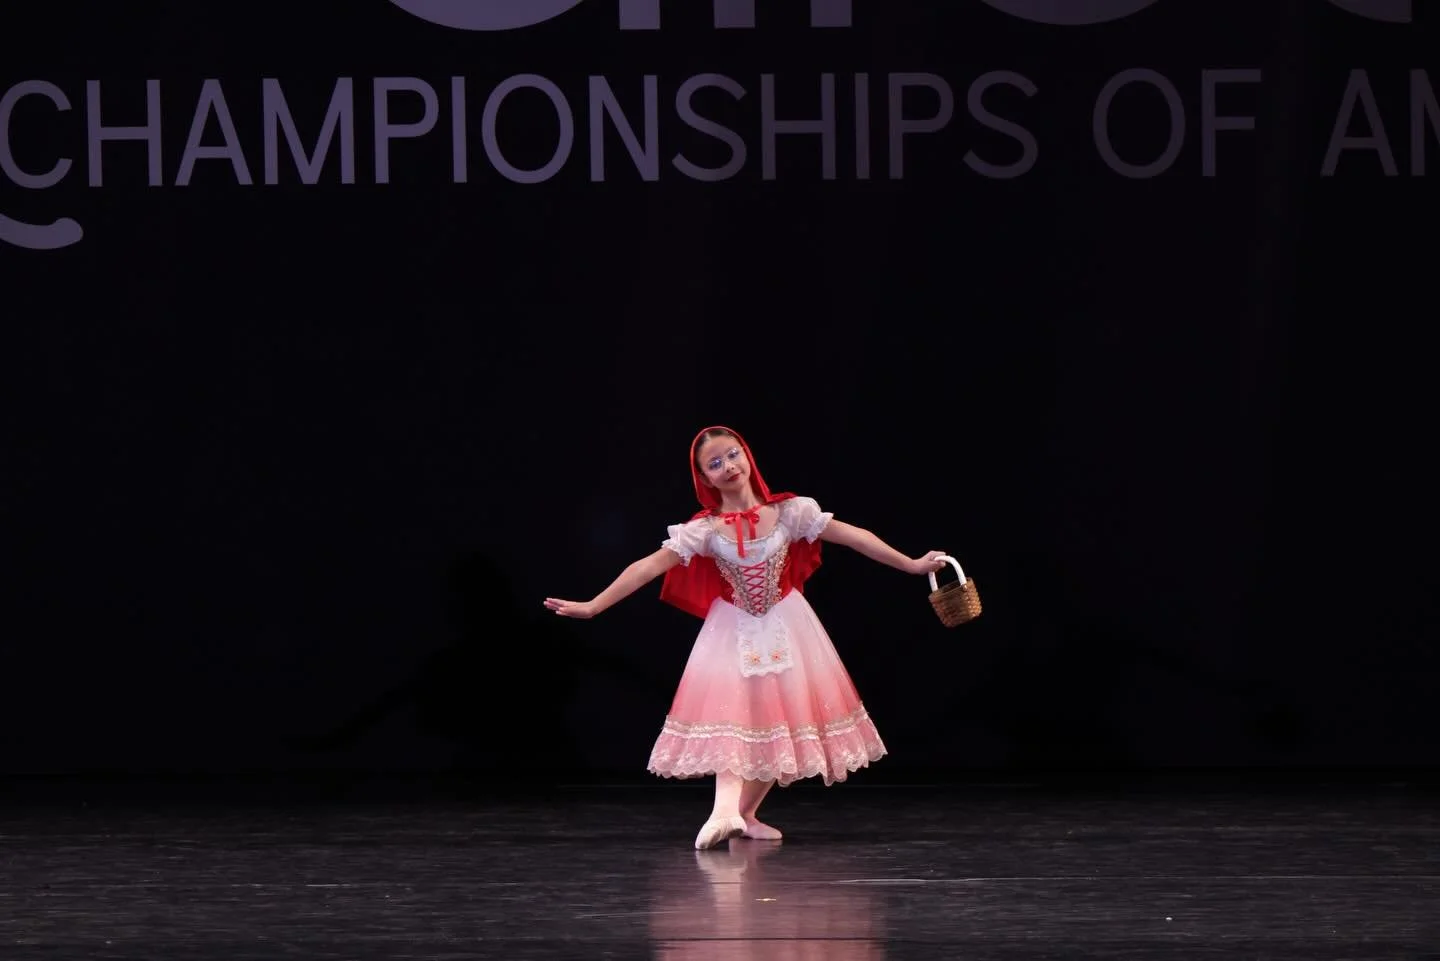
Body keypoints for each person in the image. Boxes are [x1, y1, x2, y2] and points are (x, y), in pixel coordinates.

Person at [544, 426, 946, 850]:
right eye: (714, 464)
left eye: (732, 455)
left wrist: (912, 565)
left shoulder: (791, 512)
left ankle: (744, 814)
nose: (728, 467)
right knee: (733, 718)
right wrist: (593, 606)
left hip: (787, 625)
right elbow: (646, 567)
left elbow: (853, 536)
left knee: (782, 721)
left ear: (747, 456)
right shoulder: (705, 529)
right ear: (705, 479)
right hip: (734, 628)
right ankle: (722, 813)